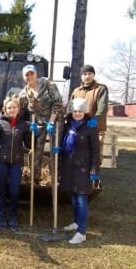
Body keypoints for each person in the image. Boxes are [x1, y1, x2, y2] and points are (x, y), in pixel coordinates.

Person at [0, 97, 38, 231]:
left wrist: (34, 133)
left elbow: (29, 144)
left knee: (14, 190)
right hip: (1, 161)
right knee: (1, 189)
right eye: (9, 108)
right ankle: (1, 217)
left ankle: (13, 216)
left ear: (18, 109)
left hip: (16, 161)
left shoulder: (23, 125)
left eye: (14, 107)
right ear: (5, 109)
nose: (12, 110)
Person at [58, 98, 100, 244]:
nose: (77, 113)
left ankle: (81, 232)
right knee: (74, 197)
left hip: (83, 167)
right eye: (75, 111)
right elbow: (64, 139)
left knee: (81, 199)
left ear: (84, 112)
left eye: (80, 111)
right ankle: (76, 222)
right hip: (69, 166)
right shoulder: (68, 123)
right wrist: (59, 148)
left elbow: (96, 150)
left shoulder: (90, 126)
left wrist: (94, 169)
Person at [17, 64, 63, 184]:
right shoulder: (23, 94)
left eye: (32, 73)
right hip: (39, 124)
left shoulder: (48, 84)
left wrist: (52, 121)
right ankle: (35, 178)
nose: (30, 76)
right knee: (36, 151)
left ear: (36, 74)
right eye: (27, 75)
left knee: (55, 150)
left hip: (55, 121)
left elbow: (57, 103)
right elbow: (19, 112)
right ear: (23, 77)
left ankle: (56, 178)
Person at [67, 64, 109, 163]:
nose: (87, 76)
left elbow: (102, 107)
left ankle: (94, 176)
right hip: (79, 128)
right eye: (84, 74)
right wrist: (69, 120)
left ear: (93, 75)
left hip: (95, 128)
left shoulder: (101, 89)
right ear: (81, 76)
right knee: (79, 154)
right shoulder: (76, 91)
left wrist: (95, 120)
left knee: (94, 154)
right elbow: (70, 107)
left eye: (90, 73)